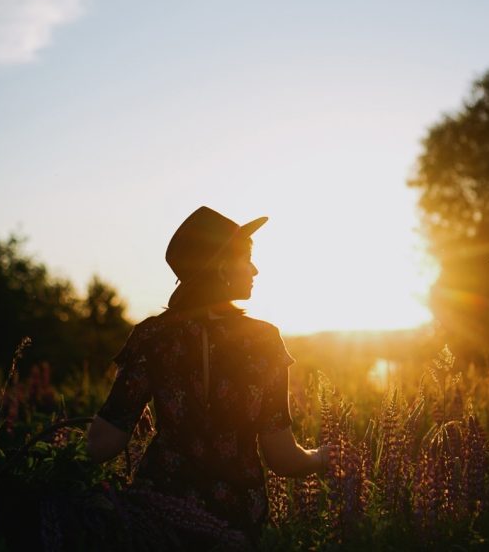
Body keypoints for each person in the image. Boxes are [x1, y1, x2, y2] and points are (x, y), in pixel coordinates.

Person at [86, 206, 330, 544]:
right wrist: (323, 457)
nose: (255, 268)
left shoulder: (152, 336)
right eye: (246, 258)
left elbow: (101, 445)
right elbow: (283, 458)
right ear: (221, 267)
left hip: (156, 517)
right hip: (235, 524)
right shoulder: (263, 340)